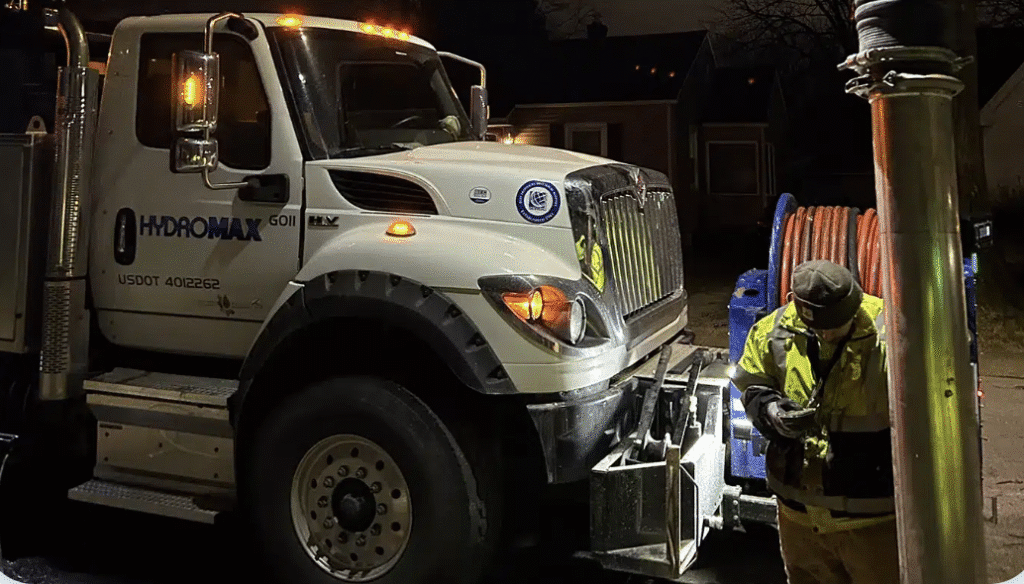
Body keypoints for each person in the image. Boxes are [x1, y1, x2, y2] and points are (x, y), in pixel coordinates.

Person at [731, 260, 899, 584]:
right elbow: (753, 387)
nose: (825, 334)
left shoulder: (891, 335)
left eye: (834, 326)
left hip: (869, 521)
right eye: (817, 327)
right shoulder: (775, 329)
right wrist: (770, 411)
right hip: (798, 519)